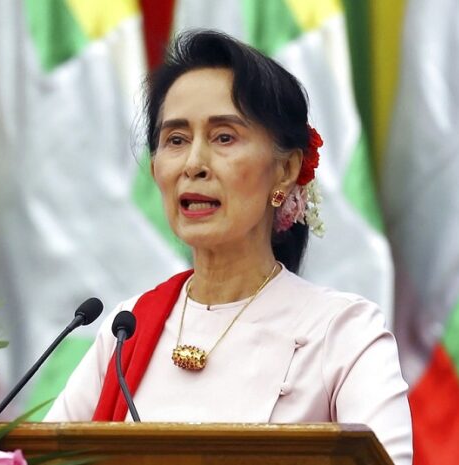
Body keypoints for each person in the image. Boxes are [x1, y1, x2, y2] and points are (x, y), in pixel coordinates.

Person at [45, 30, 412, 465]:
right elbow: (43, 454)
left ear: (286, 169)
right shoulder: (126, 330)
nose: (194, 164)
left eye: (223, 138)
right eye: (176, 140)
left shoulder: (345, 333)